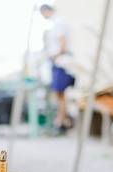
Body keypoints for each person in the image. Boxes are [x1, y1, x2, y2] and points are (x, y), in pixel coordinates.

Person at [41, 3, 75, 133]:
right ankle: (63, 120)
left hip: (60, 62)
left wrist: (54, 56)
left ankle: (61, 120)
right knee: (59, 94)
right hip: (58, 62)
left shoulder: (58, 22)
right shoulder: (55, 23)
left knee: (59, 92)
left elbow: (62, 44)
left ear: (46, 11)